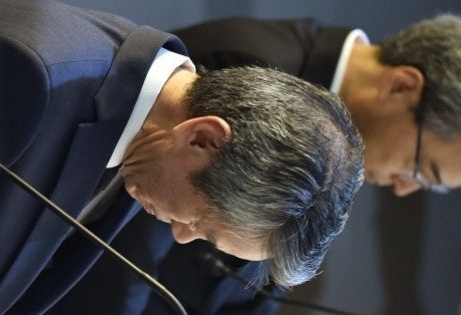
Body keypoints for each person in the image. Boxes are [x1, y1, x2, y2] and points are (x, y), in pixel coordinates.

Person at [0, 0, 364, 314]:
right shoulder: (24, 74)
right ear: (202, 138)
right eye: (202, 220)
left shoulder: (143, 143)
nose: (181, 236)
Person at [53, 14, 461, 314]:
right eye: (422, 168)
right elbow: (125, 249)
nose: (406, 187)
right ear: (403, 85)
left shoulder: (333, 167)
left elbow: (252, 288)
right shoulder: (250, 64)